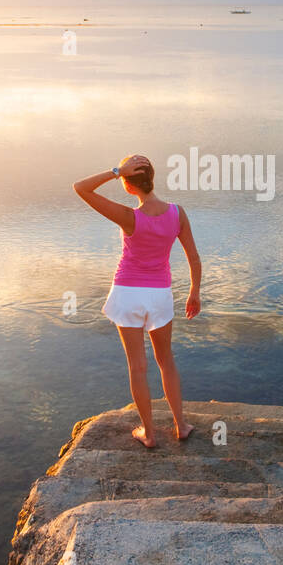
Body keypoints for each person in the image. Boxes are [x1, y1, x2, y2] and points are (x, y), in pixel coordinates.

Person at [74, 154, 201, 448]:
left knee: (137, 365)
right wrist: (194, 291)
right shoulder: (177, 213)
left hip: (127, 293)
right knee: (166, 361)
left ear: (129, 185)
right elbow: (193, 257)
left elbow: (80, 187)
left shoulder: (128, 217)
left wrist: (116, 171)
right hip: (159, 296)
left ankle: (149, 433)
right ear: (152, 179)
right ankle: (180, 425)